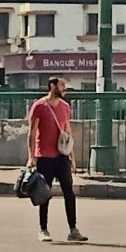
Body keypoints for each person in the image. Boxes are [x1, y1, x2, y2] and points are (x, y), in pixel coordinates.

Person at [27, 76, 84, 243]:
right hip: (44, 156)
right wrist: (31, 157)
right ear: (52, 86)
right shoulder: (39, 106)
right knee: (44, 193)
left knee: (69, 192)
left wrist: (72, 157)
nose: (64, 89)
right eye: (62, 86)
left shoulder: (65, 107)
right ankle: (43, 229)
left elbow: (67, 131)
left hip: (62, 156)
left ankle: (73, 229)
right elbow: (31, 132)